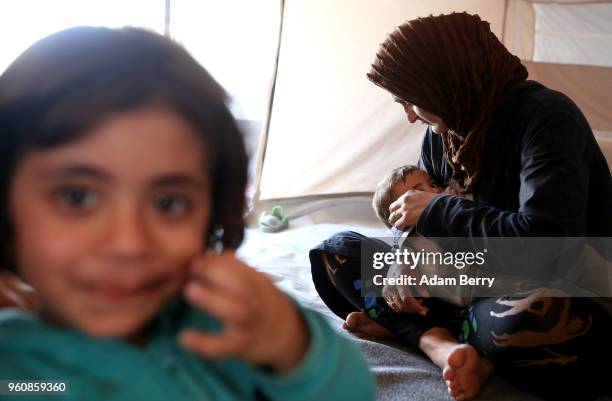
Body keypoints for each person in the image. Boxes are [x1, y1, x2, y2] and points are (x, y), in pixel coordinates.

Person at [0, 27, 376, 401]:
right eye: (77, 197)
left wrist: (292, 344)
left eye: (168, 203)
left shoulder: (229, 326)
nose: (130, 243)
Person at [312, 12, 611, 401]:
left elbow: (545, 248)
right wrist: (403, 259)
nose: (408, 116)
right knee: (337, 253)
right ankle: (442, 343)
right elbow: (416, 223)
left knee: (526, 320)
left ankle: (427, 333)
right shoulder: (445, 134)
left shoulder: (546, 119)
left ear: (441, 82)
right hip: (463, 282)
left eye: (410, 100)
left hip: (543, 284)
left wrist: (437, 211)